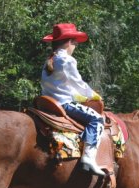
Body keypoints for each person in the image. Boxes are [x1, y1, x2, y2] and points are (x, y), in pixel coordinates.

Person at [41, 23, 105, 176]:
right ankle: (89, 157)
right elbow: (78, 82)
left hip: (47, 103)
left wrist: (79, 95)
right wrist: (92, 95)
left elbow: (63, 85)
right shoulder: (67, 60)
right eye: (75, 41)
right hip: (63, 104)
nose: (76, 44)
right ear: (68, 42)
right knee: (97, 119)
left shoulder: (49, 60)